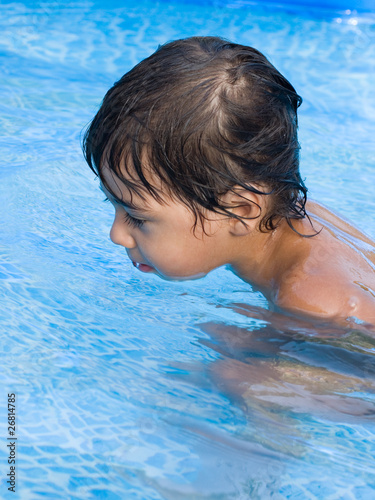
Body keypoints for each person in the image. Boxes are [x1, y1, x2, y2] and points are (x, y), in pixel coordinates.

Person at [83, 36, 375, 330]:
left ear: (241, 210)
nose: (117, 235)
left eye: (136, 217)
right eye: (113, 204)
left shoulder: (313, 306)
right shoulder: (297, 215)